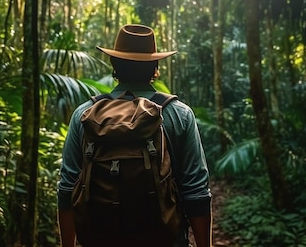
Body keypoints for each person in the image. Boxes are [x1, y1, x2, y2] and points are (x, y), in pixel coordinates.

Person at [57, 24, 213, 247]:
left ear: (114, 65)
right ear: (155, 67)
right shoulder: (179, 114)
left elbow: (67, 189)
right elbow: (196, 192)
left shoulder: (84, 115)